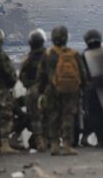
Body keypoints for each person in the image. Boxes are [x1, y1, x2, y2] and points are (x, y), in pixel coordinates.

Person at [38, 26, 88, 156]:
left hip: (52, 89)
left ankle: (54, 145)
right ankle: (67, 145)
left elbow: (41, 75)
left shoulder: (48, 54)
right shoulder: (74, 54)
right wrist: (81, 87)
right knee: (68, 117)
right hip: (71, 90)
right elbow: (83, 74)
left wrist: (41, 90)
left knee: (53, 116)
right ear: (66, 38)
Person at [81, 29, 103, 147]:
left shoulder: (83, 55)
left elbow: (81, 74)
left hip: (91, 90)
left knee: (95, 115)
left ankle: (102, 140)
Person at [19, 29, 48, 151]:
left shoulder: (27, 59)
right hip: (48, 90)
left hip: (33, 91)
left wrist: (30, 85)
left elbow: (22, 77)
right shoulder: (49, 55)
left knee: (35, 117)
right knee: (49, 115)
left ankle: (39, 140)